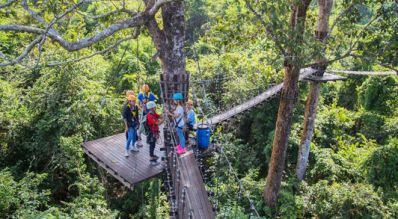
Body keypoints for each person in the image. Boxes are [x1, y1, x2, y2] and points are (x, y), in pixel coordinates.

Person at [146, 101, 164, 166]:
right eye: (154, 107)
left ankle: (152, 155)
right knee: (152, 145)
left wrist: (163, 114)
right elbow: (157, 123)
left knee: (153, 145)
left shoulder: (153, 113)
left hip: (154, 132)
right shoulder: (150, 116)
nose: (155, 107)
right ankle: (151, 158)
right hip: (152, 132)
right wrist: (164, 119)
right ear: (151, 108)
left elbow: (158, 116)